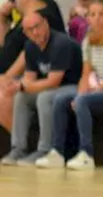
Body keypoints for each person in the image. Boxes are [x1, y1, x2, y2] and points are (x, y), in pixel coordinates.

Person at [45, 0, 103, 171]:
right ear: (87, 18)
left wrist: (87, 95)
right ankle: (57, 152)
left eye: (101, 14)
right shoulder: (88, 40)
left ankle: (86, 154)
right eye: (92, 14)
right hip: (95, 88)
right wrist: (82, 92)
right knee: (61, 99)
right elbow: (86, 72)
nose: (97, 19)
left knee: (82, 101)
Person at [1, 11, 82, 166]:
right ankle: (19, 148)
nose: (35, 32)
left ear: (46, 23)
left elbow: (54, 81)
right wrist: (17, 86)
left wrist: (23, 85)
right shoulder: (30, 46)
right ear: (25, 33)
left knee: (44, 97)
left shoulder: (60, 43)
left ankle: (45, 150)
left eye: (37, 26)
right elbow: (30, 78)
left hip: (74, 86)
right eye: (30, 30)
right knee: (21, 97)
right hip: (51, 87)